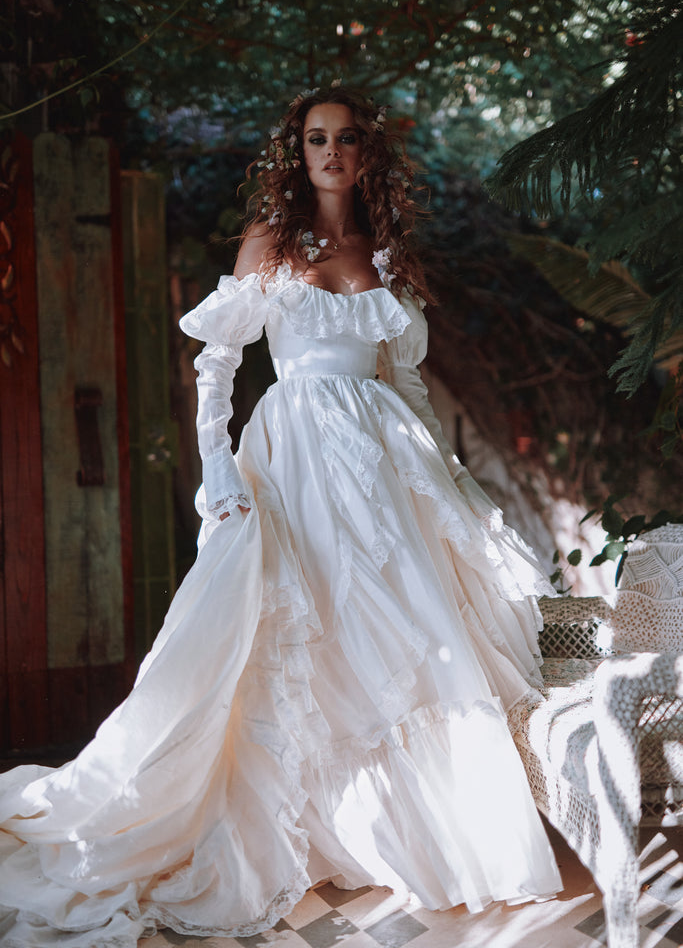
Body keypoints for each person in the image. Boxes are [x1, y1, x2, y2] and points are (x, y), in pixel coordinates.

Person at [0, 84, 562, 948]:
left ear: (366, 153)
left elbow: (403, 381)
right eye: (315, 138)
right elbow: (216, 364)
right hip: (293, 453)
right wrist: (216, 471)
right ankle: (306, 821)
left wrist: (448, 480)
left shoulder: (385, 254)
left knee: (402, 632)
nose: (331, 151)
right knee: (303, 622)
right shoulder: (269, 241)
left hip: (382, 463)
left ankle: (408, 836)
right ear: (297, 153)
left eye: (346, 138)